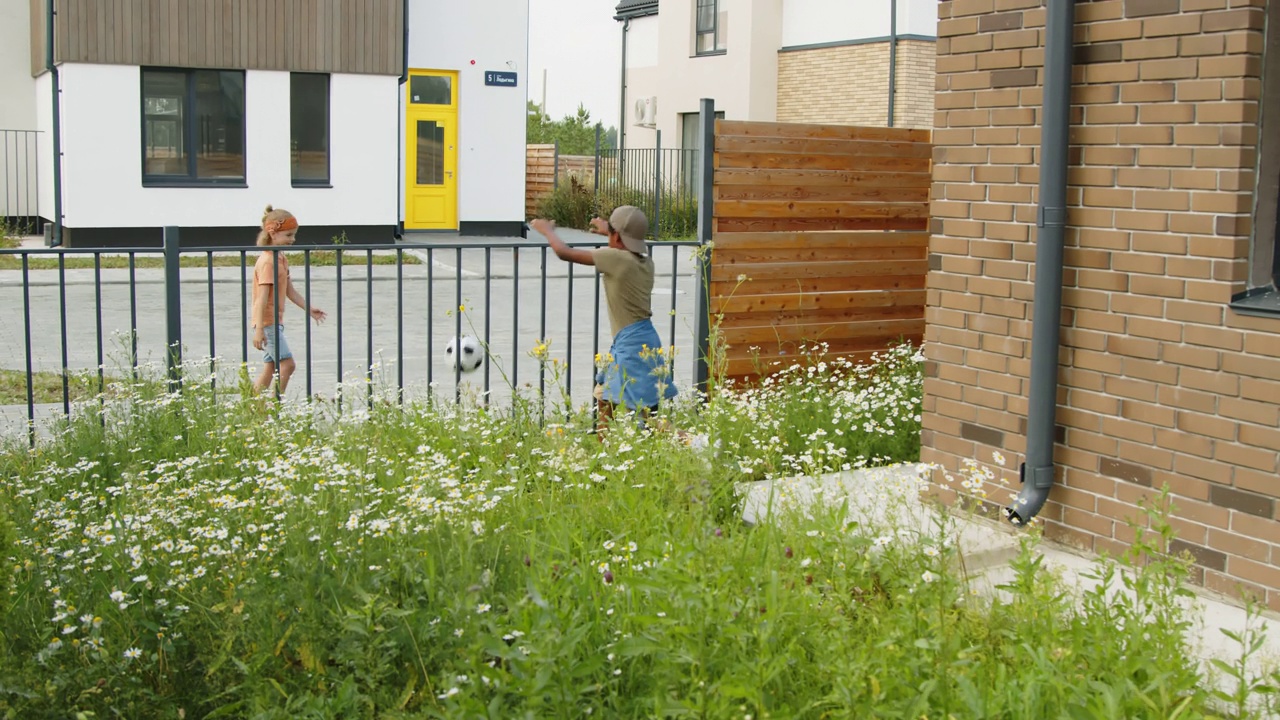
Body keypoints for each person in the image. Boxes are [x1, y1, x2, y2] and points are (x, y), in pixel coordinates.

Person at [531, 206, 677, 436]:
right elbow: (622, 246)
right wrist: (608, 233)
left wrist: (547, 230)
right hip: (643, 338)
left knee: (643, 414)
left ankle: (693, 443)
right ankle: (604, 451)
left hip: (630, 343)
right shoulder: (645, 262)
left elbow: (564, 252)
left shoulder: (616, 259)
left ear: (616, 236)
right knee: (605, 397)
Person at [252, 206, 327, 395]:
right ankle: (274, 405)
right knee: (288, 365)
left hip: (274, 322)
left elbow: (289, 291)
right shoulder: (269, 262)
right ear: (272, 233)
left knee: (270, 368)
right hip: (267, 323)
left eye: (293, 235)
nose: (292, 240)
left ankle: (253, 409)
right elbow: (261, 299)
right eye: (288, 235)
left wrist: (309, 309)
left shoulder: (280, 258)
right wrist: (259, 329)